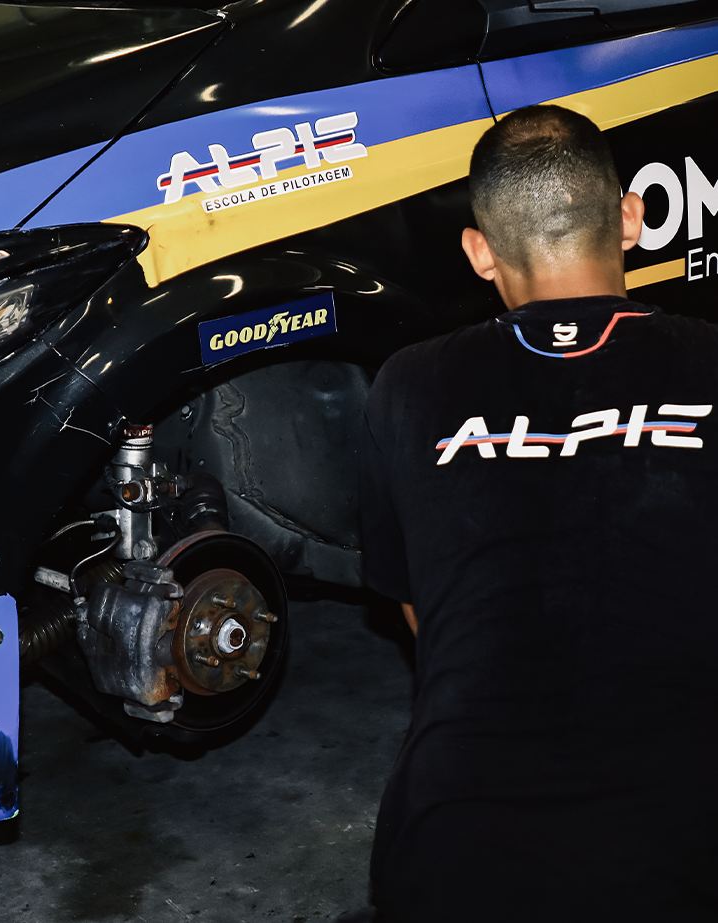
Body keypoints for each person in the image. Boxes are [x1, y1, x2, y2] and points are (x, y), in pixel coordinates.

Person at [359, 105, 718, 922]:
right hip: (680, 853)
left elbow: (424, 614)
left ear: (478, 252)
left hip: (449, 857)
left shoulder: (404, 386)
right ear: (632, 218)